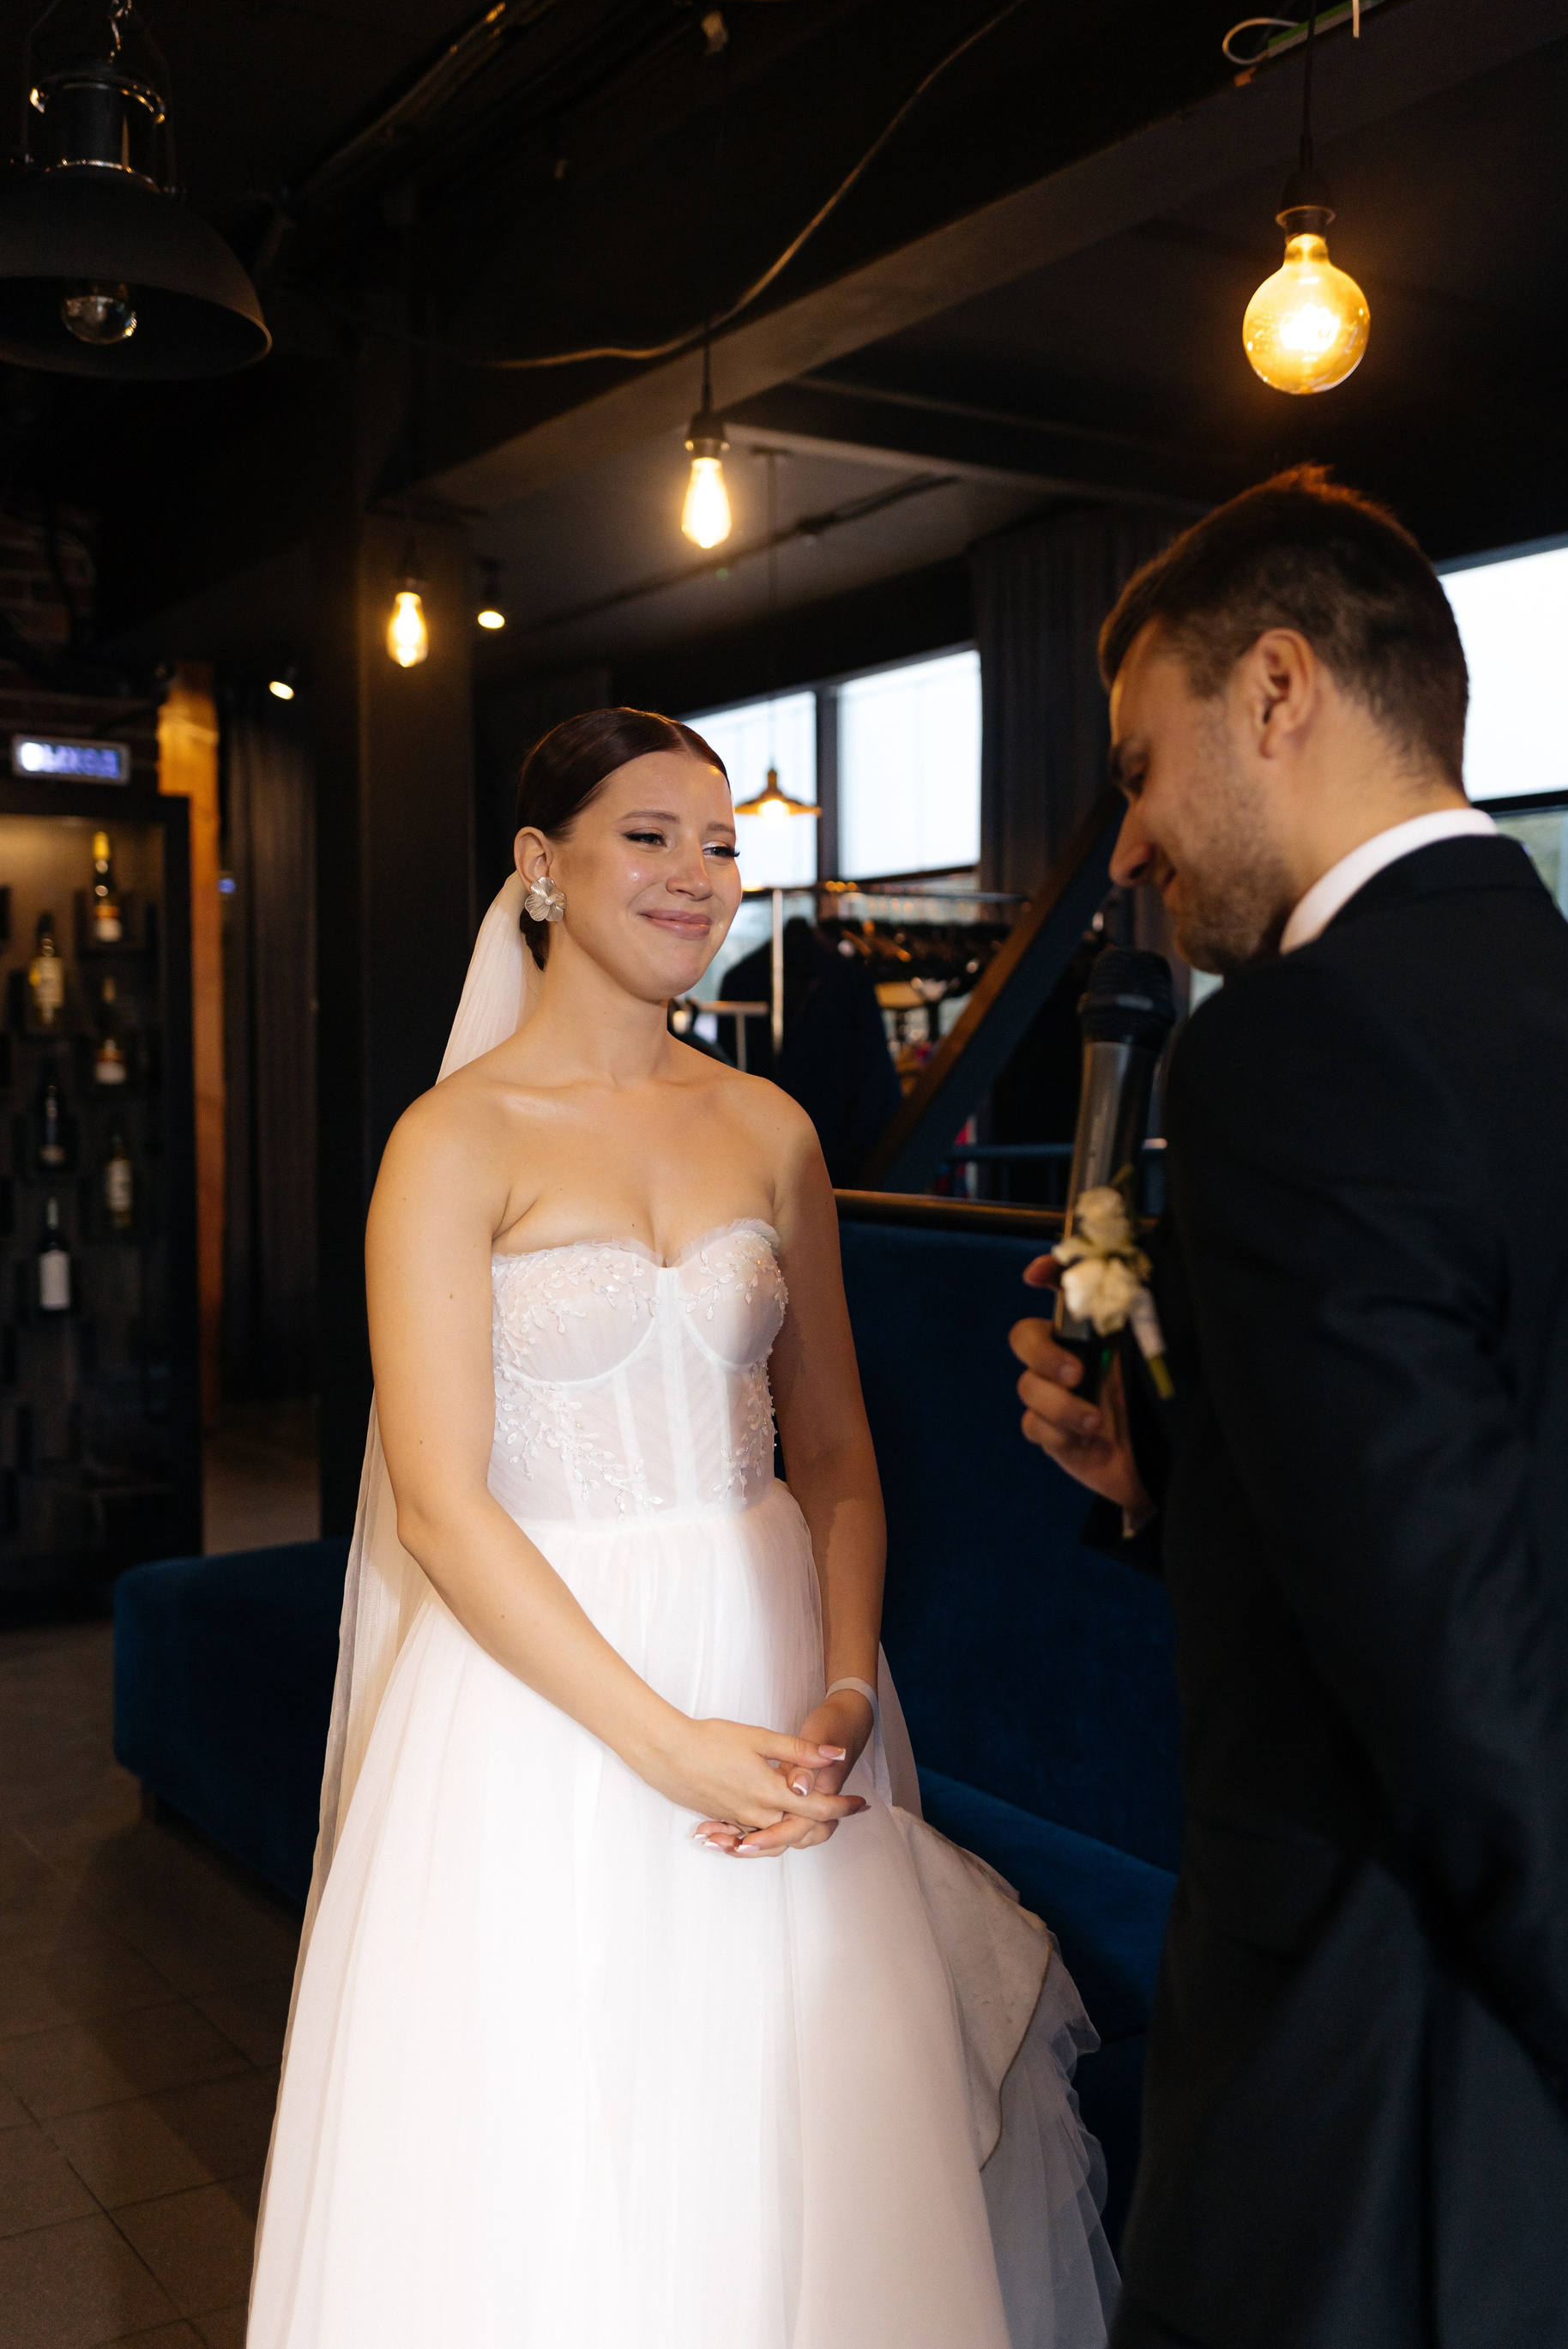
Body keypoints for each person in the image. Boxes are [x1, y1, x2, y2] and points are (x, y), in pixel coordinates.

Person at [249, 707, 1116, 2349]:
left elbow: (838, 1453)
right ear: (542, 865)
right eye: (648, 835)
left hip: (779, 1663)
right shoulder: (452, 1140)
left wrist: (844, 1689)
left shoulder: (771, 1128)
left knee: (803, 2125)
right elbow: (439, 1502)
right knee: (563, 2146)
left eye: (720, 844)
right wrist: (667, 1745)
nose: (696, 875)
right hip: (539, 1691)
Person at [1011, 468, 1568, 2346]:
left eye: (1140, 767)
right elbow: (1544, 1492)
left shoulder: (1293, 1044)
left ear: (1277, 688)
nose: (1129, 847)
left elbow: (1453, 1651)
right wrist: (1166, 1472)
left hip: (1381, 2107)